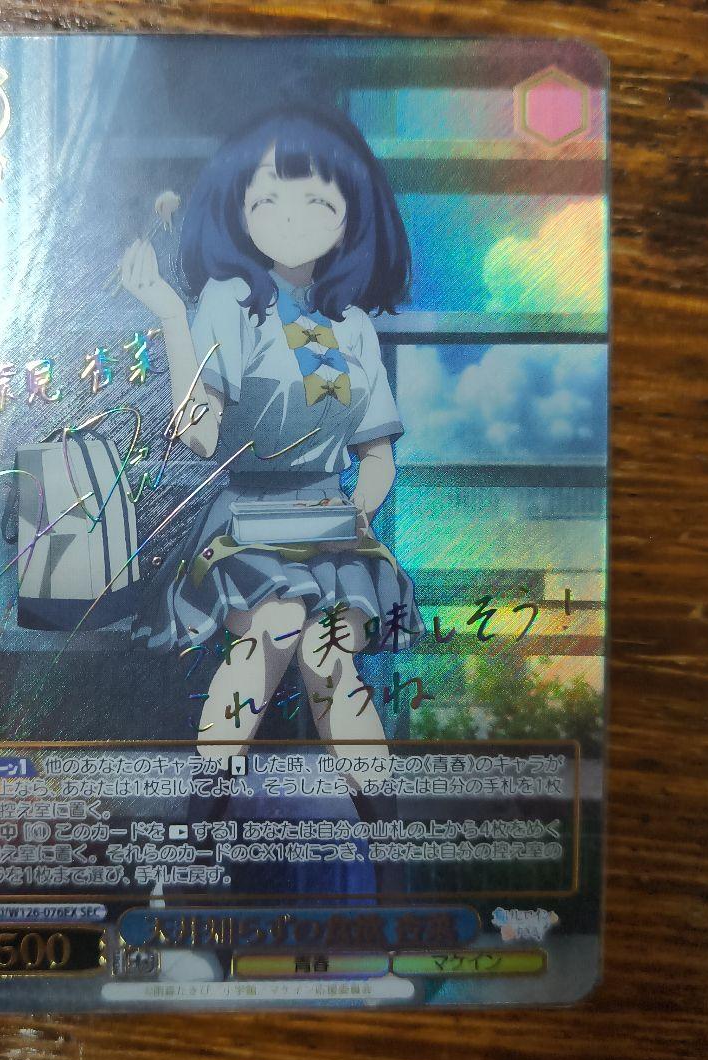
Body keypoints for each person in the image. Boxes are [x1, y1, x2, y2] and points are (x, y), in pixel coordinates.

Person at [120, 105, 423, 854]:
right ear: (240, 206)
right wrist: (171, 316)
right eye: (270, 198)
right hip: (245, 523)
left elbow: (377, 456)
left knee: (329, 654)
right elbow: (199, 435)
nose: (292, 217)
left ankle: (389, 840)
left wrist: (357, 510)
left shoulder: (353, 324)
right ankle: (202, 826)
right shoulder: (231, 300)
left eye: (317, 200)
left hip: (332, 527)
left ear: (351, 216)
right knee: (275, 630)